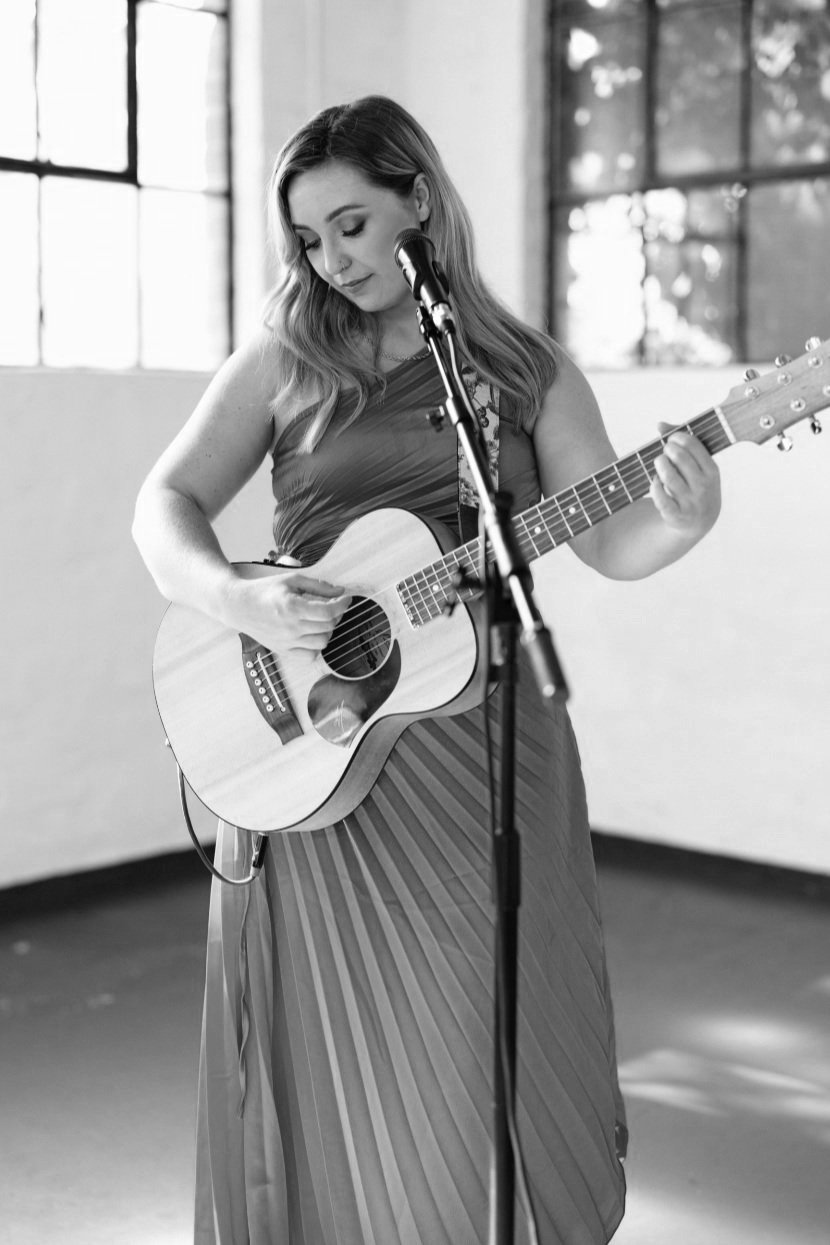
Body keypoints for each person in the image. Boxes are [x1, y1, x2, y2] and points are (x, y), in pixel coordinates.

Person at [133, 95, 721, 1245]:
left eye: (351, 223)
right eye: (307, 237)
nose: (330, 258)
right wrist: (238, 595)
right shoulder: (284, 355)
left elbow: (606, 535)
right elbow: (164, 507)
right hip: (322, 742)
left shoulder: (519, 367)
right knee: (341, 1037)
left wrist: (679, 523)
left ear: (418, 198)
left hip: (486, 747)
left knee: (481, 1020)